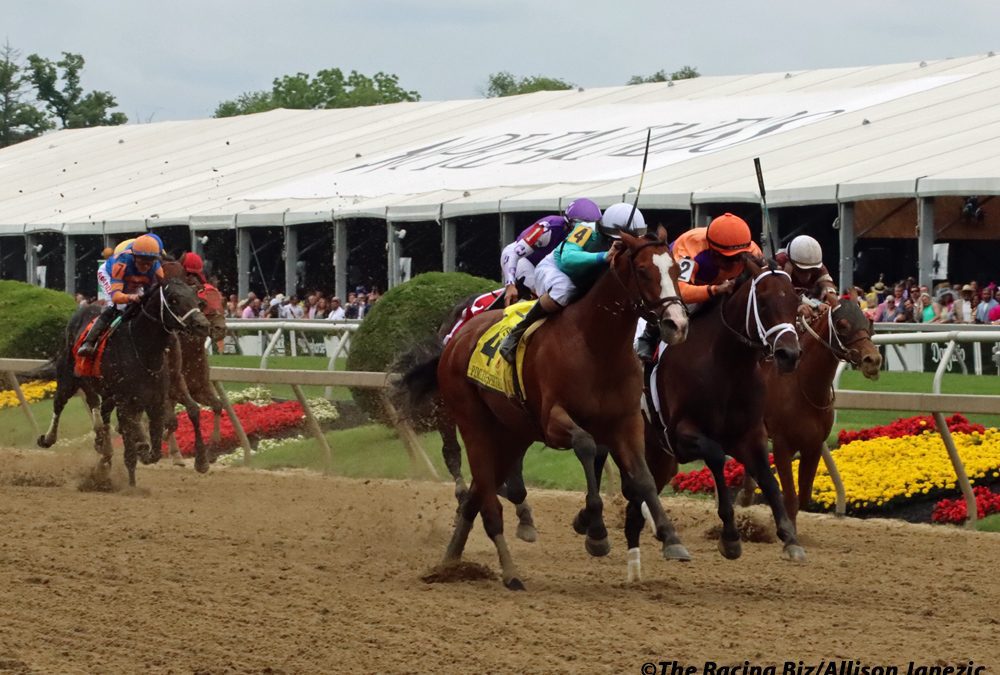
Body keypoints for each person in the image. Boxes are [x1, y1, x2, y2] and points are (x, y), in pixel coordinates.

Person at [498, 202, 646, 363]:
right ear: (604, 231)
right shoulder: (585, 229)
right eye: (615, 241)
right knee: (564, 289)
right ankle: (517, 332)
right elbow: (567, 259)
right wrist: (603, 256)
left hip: (586, 276)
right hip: (556, 269)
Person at [635, 213, 763, 362]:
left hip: (725, 284)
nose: (734, 263)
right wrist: (714, 290)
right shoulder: (690, 246)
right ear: (712, 250)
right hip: (688, 282)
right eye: (728, 258)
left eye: (738, 257)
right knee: (678, 308)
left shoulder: (753, 252)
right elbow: (679, 291)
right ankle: (650, 335)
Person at [498, 198, 602, 307]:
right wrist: (510, 284)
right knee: (544, 290)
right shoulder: (548, 228)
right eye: (580, 226)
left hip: (550, 265)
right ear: (568, 223)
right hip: (524, 261)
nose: (587, 232)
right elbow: (512, 253)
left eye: (593, 227)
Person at [78, 234, 164, 357]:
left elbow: (160, 290)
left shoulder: (157, 268)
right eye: (142, 262)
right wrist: (130, 297)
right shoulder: (121, 264)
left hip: (131, 279)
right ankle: (88, 342)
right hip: (109, 274)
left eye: (149, 263)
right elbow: (116, 296)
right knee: (117, 306)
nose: (145, 266)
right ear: (134, 257)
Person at [773, 234, 839, 313]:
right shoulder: (778, 264)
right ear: (789, 261)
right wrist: (785, 277)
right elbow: (774, 298)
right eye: (802, 270)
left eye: (812, 270)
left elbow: (828, 285)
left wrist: (829, 300)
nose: (808, 275)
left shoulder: (817, 266)